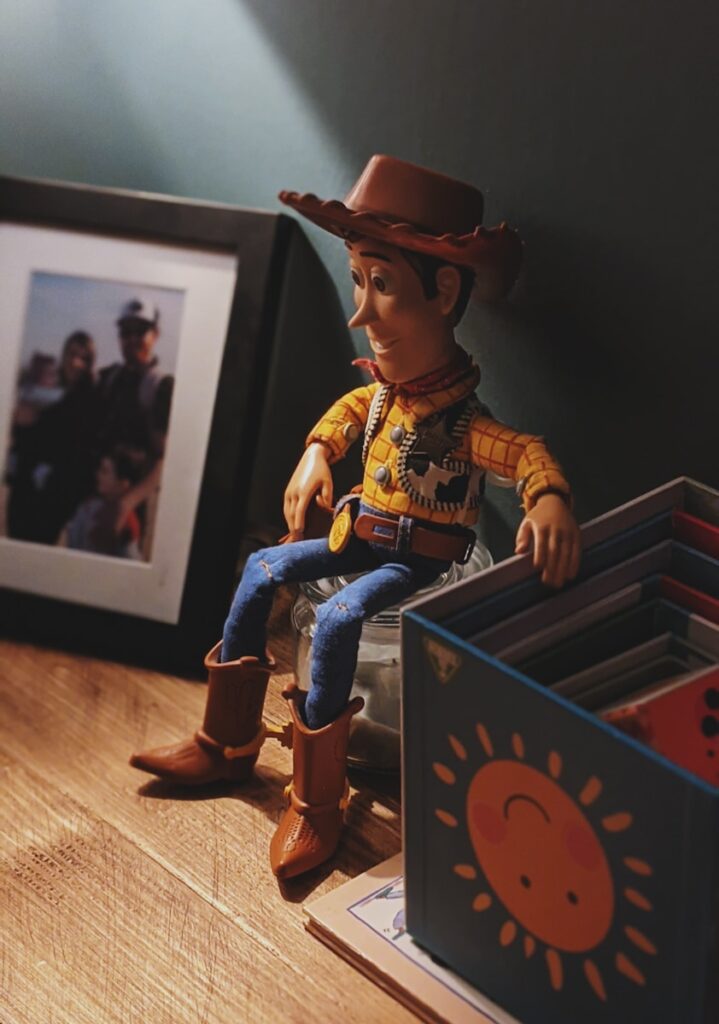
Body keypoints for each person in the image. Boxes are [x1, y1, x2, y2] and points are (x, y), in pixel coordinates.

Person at [131, 156, 581, 881]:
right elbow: (344, 415)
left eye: (382, 284)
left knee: (340, 617)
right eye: (357, 280)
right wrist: (315, 453)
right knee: (262, 567)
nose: (360, 313)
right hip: (358, 535)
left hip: (415, 560)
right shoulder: (379, 398)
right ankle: (225, 743)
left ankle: (317, 800)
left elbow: (525, 453)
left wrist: (549, 498)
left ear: (443, 292)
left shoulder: (463, 423)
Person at [95, 299, 174, 557]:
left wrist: (124, 505)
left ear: (155, 334)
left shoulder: (160, 386)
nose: (132, 339)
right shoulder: (109, 378)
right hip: (93, 503)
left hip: (129, 515)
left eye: (140, 331)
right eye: (126, 332)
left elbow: (161, 461)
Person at [5, 331, 99, 543]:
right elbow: (24, 432)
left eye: (83, 358)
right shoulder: (47, 384)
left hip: (54, 495)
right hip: (23, 485)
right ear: (63, 354)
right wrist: (19, 422)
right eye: (72, 354)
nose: (75, 362)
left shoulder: (90, 399)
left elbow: (80, 451)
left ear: (90, 363)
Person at [64, 445, 145, 558]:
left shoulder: (127, 522)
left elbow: (131, 559)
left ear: (122, 483)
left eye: (105, 472)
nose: (98, 475)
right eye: (100, 470)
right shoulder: (88, 507)